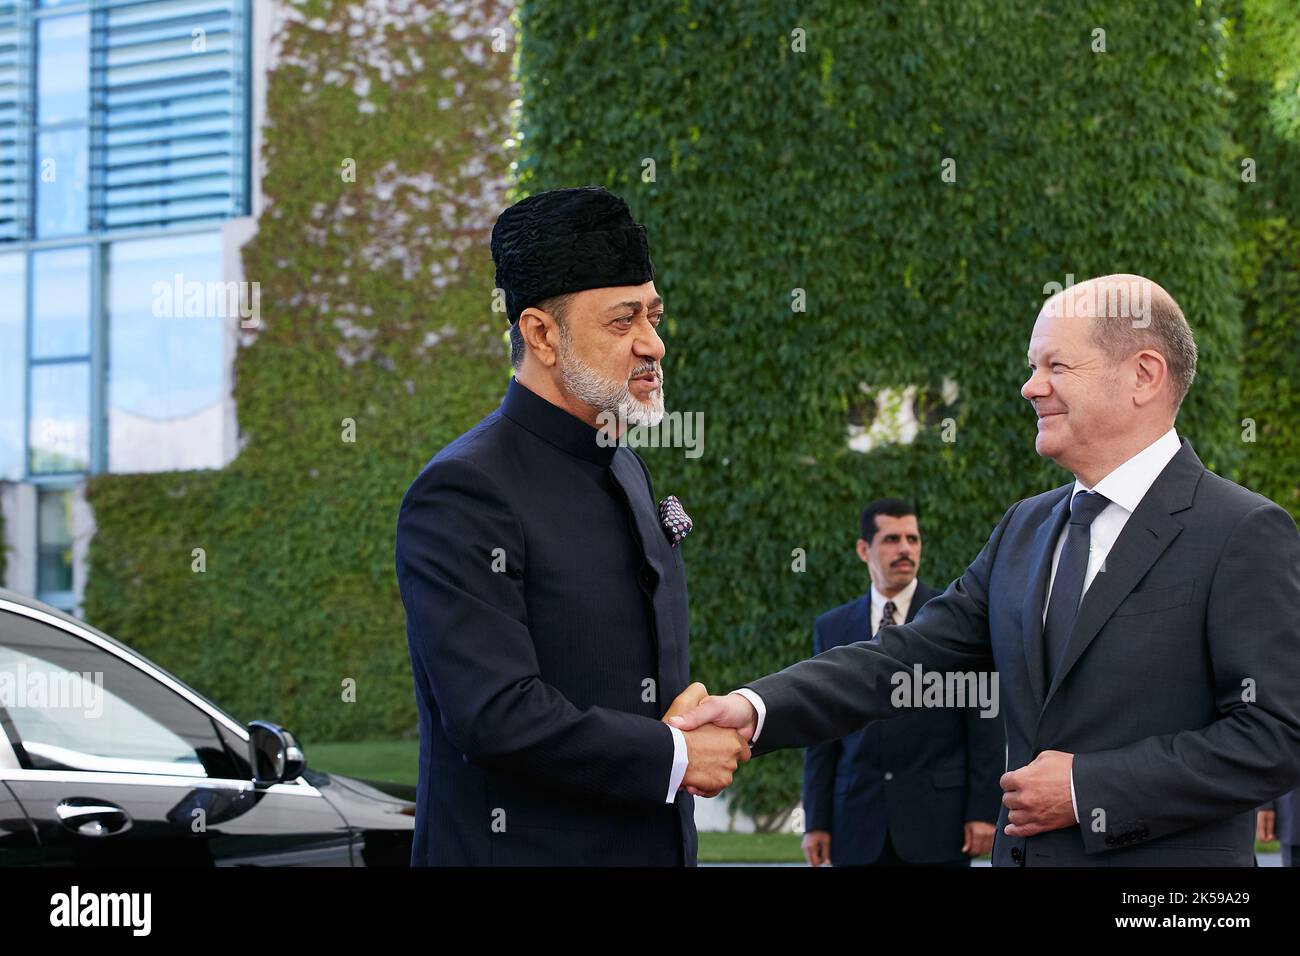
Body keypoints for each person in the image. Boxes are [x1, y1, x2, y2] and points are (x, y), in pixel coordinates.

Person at [673, 274, 1300, 866]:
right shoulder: (1023, 529)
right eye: (1034, 367)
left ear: (1143, 375)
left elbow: (1273, 737)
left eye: (1055, 365)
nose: (1030, 386)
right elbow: (903, 659)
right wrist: (756, 708)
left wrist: (1087, 788)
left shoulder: (1242, 532)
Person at [396, 186, 748, 866]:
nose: (654, 343)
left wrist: (683, 717)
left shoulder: (626, 466)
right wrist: (675, 754)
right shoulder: (464, 490)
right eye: (623, 323)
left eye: (653, 314)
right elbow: (494, 714)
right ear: (541, 335)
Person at [802, 498, 1003, 867]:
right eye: (892, 539)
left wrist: (983, 810)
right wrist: (815, 821)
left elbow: (984, 724)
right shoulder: (831, 627)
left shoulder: (955, 621)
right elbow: (821, 731)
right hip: (855, 823)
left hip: (938, 823)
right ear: (865, 549)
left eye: (913, 538)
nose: (906, 549)